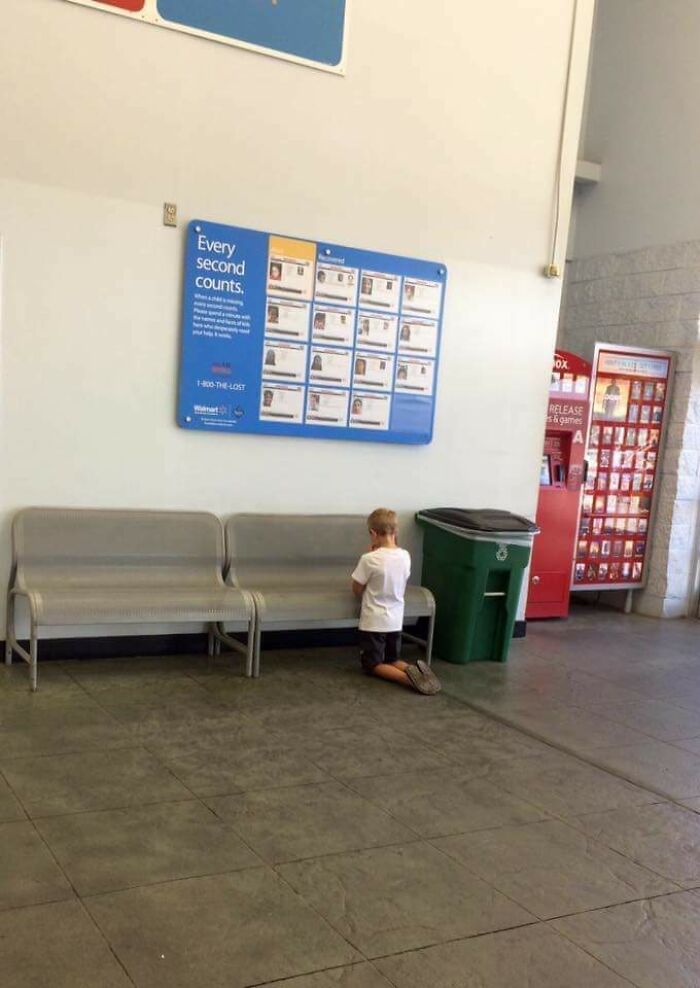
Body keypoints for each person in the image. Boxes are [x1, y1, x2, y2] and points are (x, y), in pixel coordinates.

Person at [351, 509, 441, 695]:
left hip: (374, 621)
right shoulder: (405, 556)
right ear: (396, 531)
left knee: (372, 664)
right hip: (395, 619)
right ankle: (413, 670)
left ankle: (408, 680)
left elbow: (357, 587)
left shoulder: (369, 559)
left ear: (373, 533)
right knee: (392, 659)